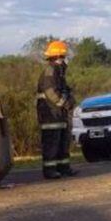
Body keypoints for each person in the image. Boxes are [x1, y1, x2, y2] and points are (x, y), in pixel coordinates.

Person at [37, 40, 76, 179]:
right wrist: (63, 103)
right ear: (57, 56)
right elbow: (50, 91)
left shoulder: (59, 71)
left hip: (59, 114)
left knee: (63, 141)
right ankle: (49, 170)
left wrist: (69, 98)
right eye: (63, 57)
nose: (64, 60)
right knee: (51, 142)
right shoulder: (51, 70)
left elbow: (63, 89)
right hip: (50, 114)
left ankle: (63, 167)